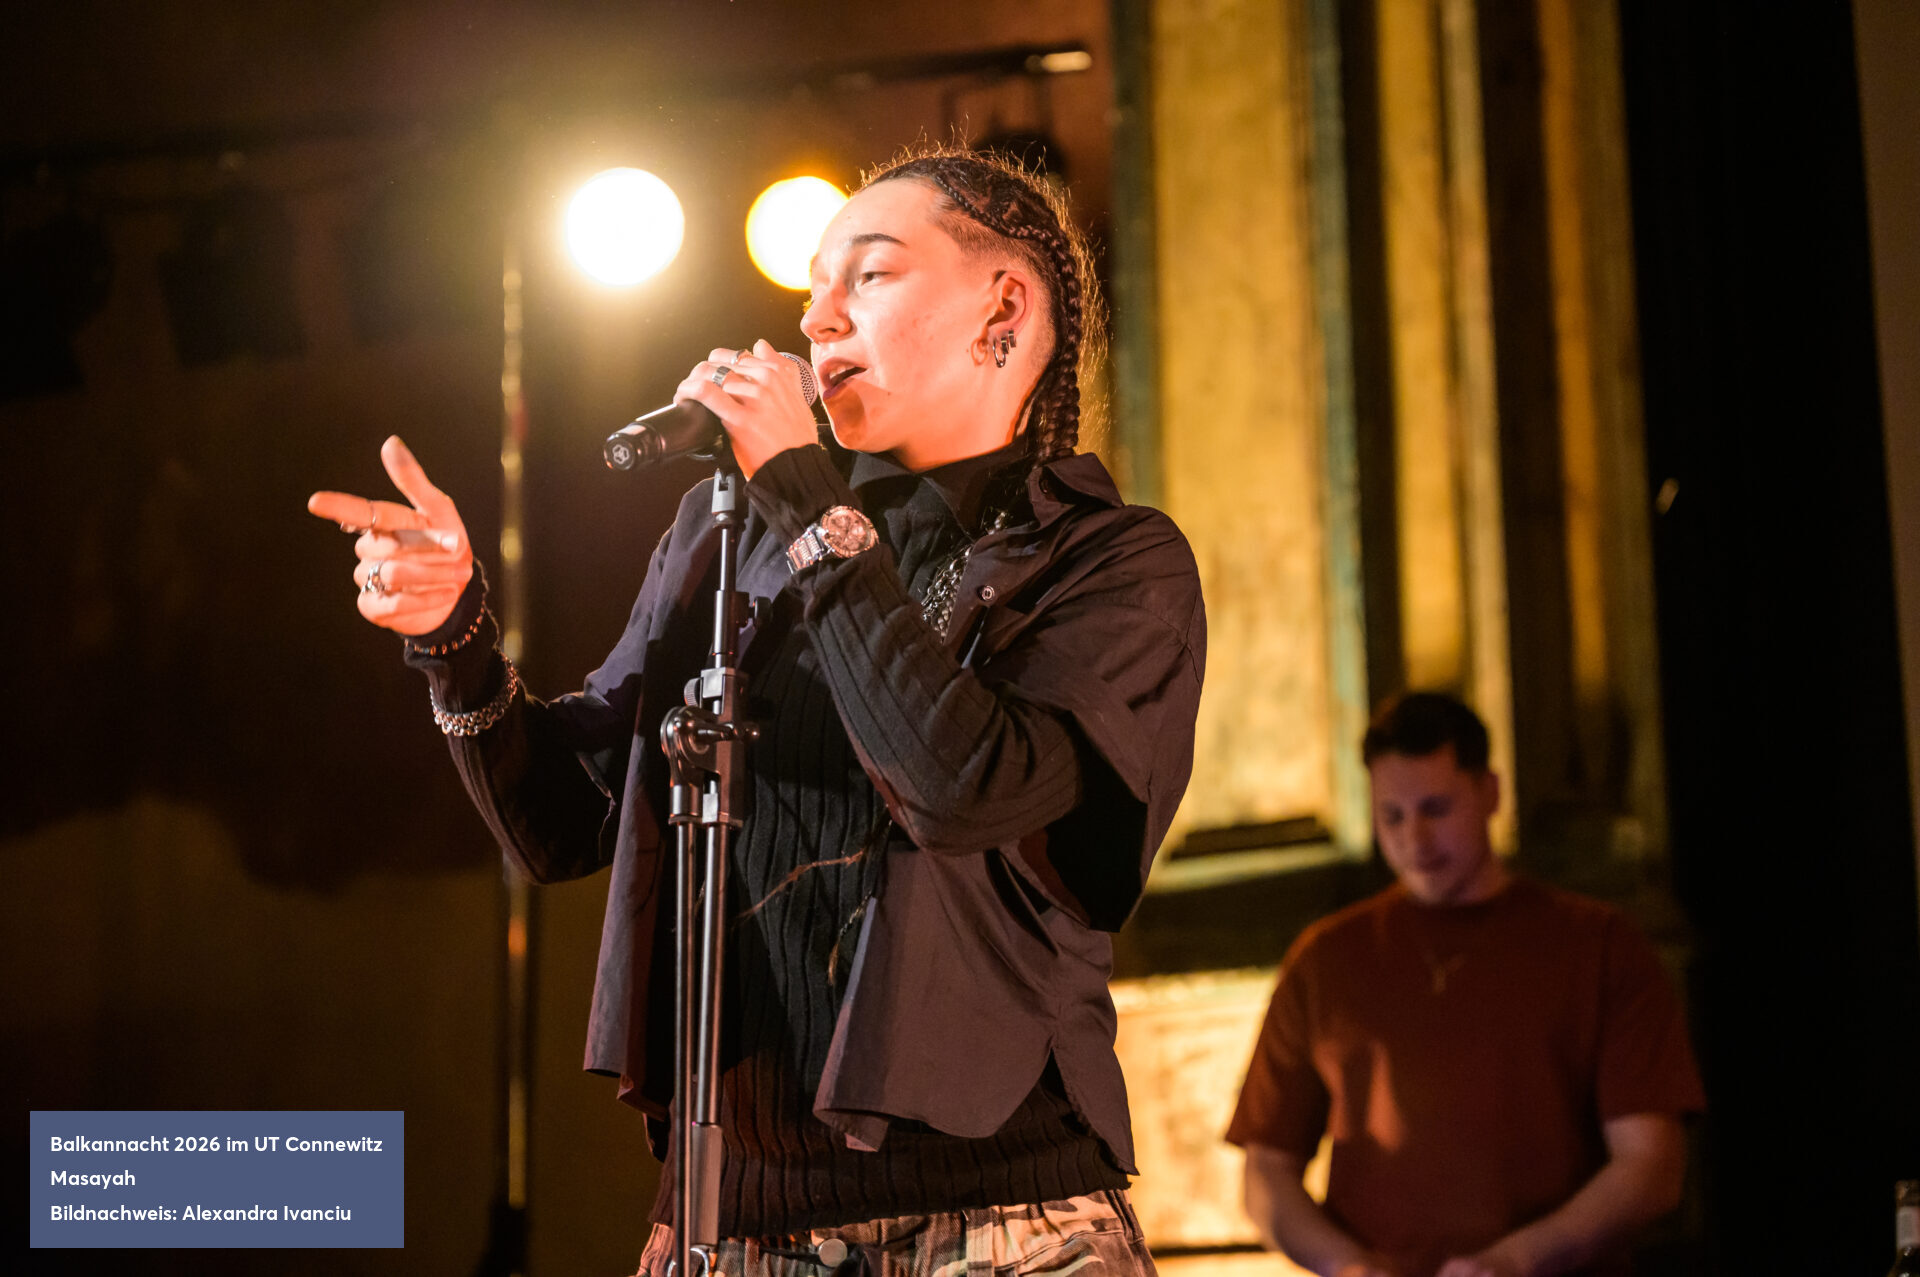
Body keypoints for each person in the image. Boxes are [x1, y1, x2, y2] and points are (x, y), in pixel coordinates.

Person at [308, 147, 1205, 1277]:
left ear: (1006, 309)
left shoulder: (1108, 563)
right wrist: (453, 638)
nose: (818, 317)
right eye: (811, 289)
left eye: (868, 275)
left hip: (1004, 1220)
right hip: (733, 1227)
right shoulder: (725, 532)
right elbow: (563, 819)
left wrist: (797, 482)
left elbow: (961, 783)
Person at [1225, 692, 1704, 1277]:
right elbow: (1266, 1174)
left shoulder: (1601, 945)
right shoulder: (1324, 959)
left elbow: (1652, 1166)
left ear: (1490, 793)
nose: (1415, 840)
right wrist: (1349, 1267)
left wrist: (1515, 1261)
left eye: (1436, 808)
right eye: (1392, 816)